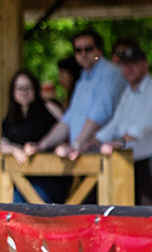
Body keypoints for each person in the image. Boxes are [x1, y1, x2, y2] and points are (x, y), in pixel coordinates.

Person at [82, 44, 152, 206]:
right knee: (129, 213)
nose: (128, 69)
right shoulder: (128, 92)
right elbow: (116, 125)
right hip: (130, 163)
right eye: (125, 65)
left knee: (150, 214)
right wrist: (93, 142)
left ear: (145, 65)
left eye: (134, 64)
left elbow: (144, 125)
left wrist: (118, 143)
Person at [38, 27, 126, 158]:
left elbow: (99, 115)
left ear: (99, 50)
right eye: (78, 50)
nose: (83, 53)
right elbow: (68, 119)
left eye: (88, 49)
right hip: (84, 156)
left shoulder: (110, 74)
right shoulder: (83, 80)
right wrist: (41, 145)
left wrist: (75, 146)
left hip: (107, 157)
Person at [0, 69, 64, 203]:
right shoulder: (11, 118)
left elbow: (68, 126)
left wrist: (41, 146)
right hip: (24, 178)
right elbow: (2, 144)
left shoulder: (48, 107)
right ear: (13, 92)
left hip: (52, 175)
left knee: (29, 203)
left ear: (35, 89)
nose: (24, 92)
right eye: (20, 88)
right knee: (17, 201)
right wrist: (14, 149)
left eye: (28, 88)